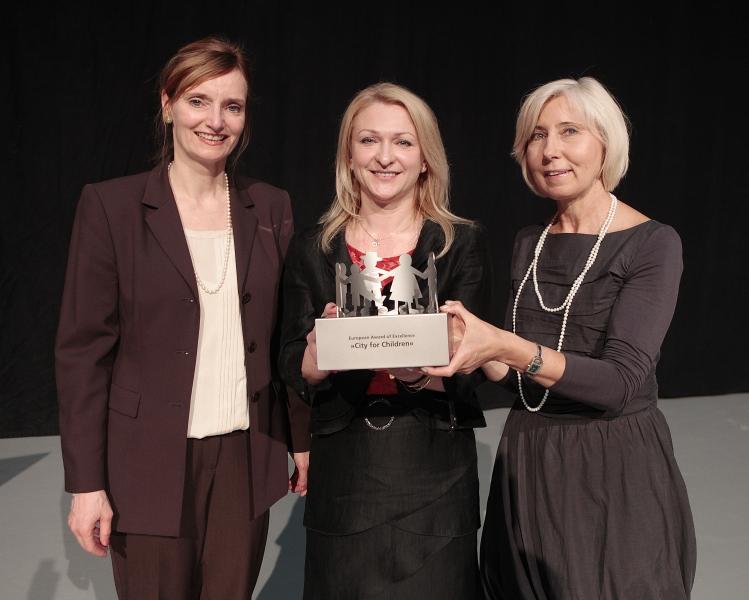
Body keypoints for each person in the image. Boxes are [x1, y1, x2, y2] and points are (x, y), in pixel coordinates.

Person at [55, 36, 310, 599]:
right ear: (167, 105)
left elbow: (286, 336)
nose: (215, 120)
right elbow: (82, 356)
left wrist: (301, 440)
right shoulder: (111, 207)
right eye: (199, 101)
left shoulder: (271, 207)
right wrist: (86, 484)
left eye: (233, 106)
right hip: (146, 459)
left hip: (246, 455)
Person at [425, 77, 696, 599]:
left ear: (605, 144)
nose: (550, 150)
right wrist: (467, 347)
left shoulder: (653, 244)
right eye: (536, 136)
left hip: (612, 470)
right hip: (528, 460)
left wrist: (502, 345)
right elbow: (521, 382)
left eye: (569, 131)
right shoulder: (531, 242)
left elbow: (618, 383)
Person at [279, 82, 492, 599]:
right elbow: (289, 361)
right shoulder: (314, 246)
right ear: (349, 156)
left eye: (402, 142)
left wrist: (425, 367)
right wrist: (312, 357)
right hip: (346, 472)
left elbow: (474, 355)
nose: (385, 157)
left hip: (434, 465)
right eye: (369, 141)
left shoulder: (460, 242)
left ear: (425, 158)